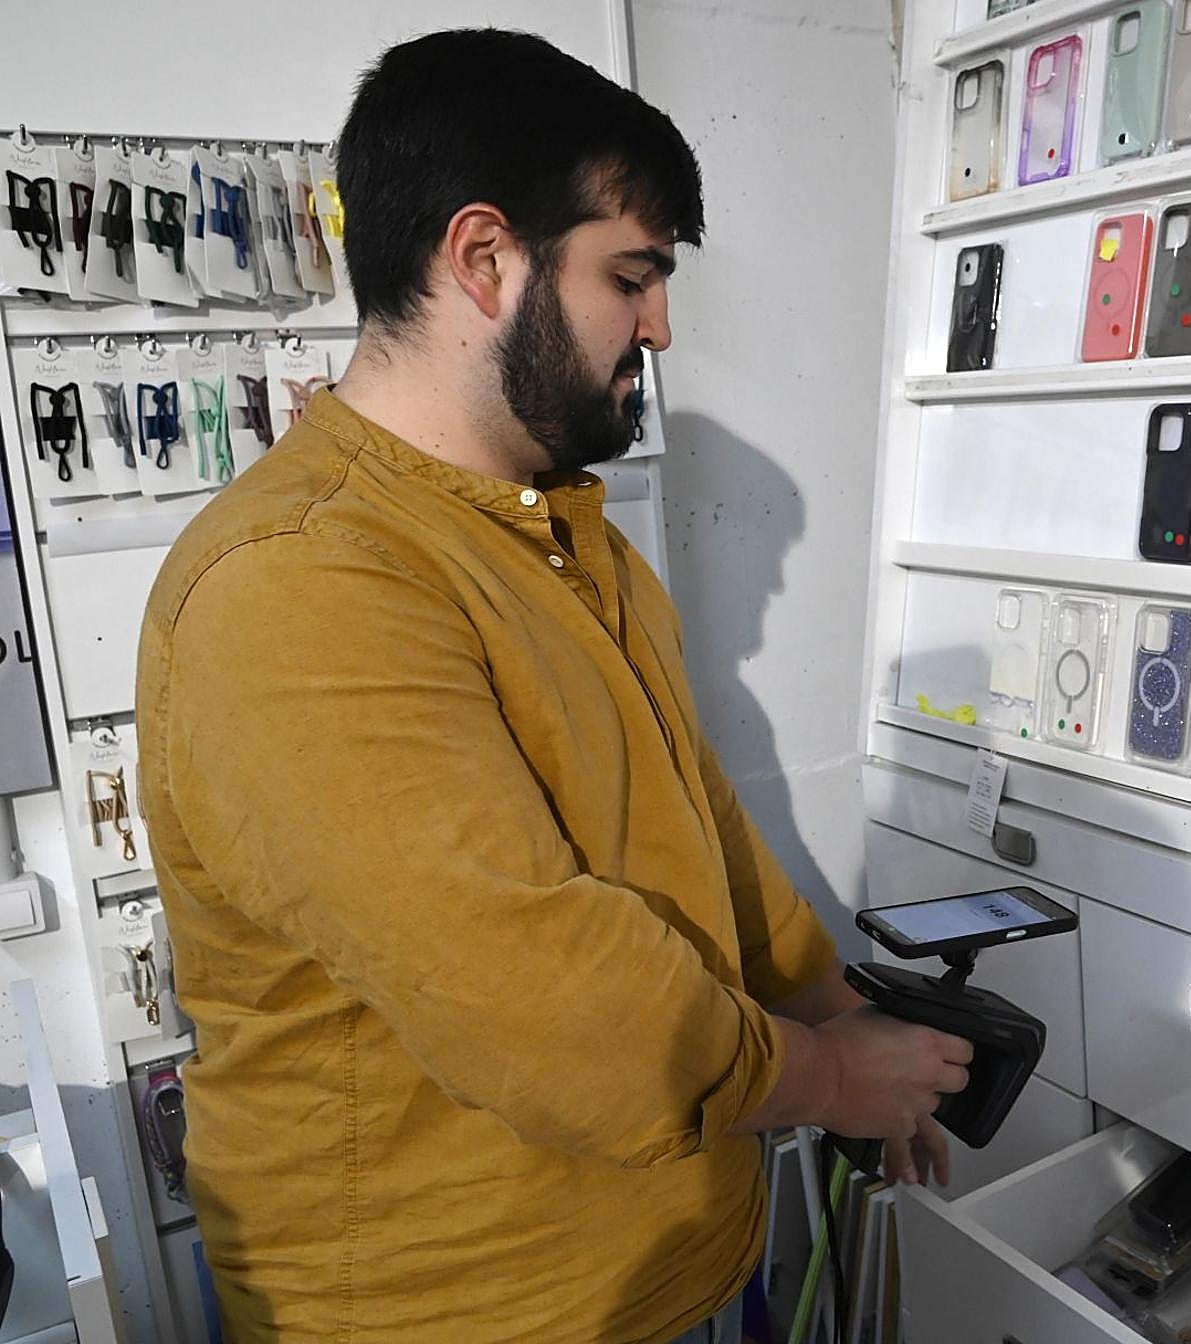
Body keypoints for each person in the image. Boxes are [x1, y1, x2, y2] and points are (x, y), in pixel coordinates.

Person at [134, 29, 969, 1344]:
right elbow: (539, 998)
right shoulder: (300, 582)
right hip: (472, 1311)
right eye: (631, 277)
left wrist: (845, 1017)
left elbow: (701, 834)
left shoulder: (571, 542)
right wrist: (822, 1079)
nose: (661, 327)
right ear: (484, 258)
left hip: (678, 1253)